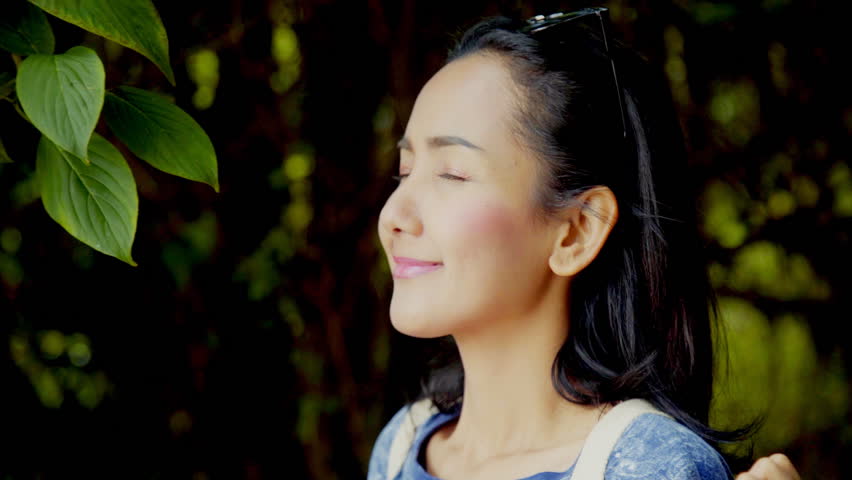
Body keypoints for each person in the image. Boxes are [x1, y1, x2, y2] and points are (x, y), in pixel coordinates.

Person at [369, 7, 802, 480]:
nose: (393, 216)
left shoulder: (649, 466)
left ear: (577, 230)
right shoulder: (402, 445)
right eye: (405, 172)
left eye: (452, 174)